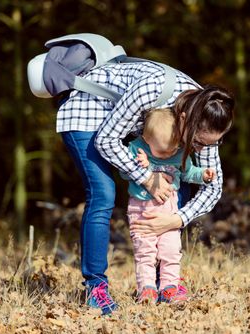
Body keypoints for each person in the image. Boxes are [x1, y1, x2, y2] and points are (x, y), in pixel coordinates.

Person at [58, 59, 234, 315]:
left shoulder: (207, 114)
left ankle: (167, 285)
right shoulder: (153, 90)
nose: (201, 149)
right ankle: (95, 287)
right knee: (103, 193)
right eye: (197, 142)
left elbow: (213, 187)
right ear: (184, 119)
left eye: (210, 144)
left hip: (119, 126)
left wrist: (176, 219)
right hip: (88, 111)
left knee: (179, 178)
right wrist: (146, 177)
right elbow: (107, 140)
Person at [122, 108, 216, 304]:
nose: (168, 155)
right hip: (142, 211)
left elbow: (188, 173)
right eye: (163, 151)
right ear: (147, 139)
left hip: (169, 208)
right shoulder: (137, 149)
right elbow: (124, 172)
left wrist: (203, 175)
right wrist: (142, 165)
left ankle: (169, 287)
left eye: (172, 149)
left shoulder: (178, 152)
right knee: (145, 252)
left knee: (171, 250)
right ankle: (146, 289)